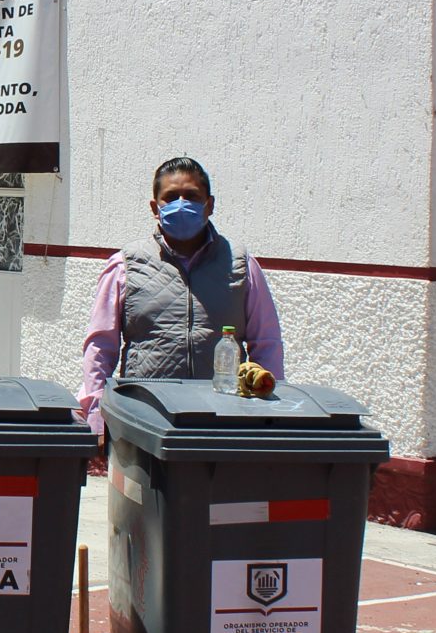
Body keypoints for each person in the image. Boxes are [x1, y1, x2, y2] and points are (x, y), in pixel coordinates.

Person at [76, 156, 285, 446]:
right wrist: (97, 415)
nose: (182, 204)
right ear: (155, 207)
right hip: (145, 419)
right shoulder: (126, 265)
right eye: (171, 197)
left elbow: (267, 343)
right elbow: (101, 347)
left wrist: (269, 413)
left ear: (209, 205)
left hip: (223, 420)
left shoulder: (240, 265)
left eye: (192, 196)